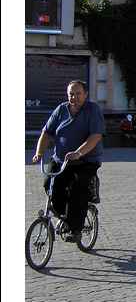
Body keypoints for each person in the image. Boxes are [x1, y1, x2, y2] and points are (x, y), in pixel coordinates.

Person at [32, 80, 105, 243]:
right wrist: (39, 153)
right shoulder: (61, 109)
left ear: (86, 94)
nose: (74, 97)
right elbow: (47, 133)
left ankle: (76, 228)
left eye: (78, 94)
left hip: (86, 160)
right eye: (71, 94)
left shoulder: (93, 109)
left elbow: (96, 136)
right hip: (61, 159)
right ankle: (65, 215)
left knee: (78, 189)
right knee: (49, 185)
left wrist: (78, 153)